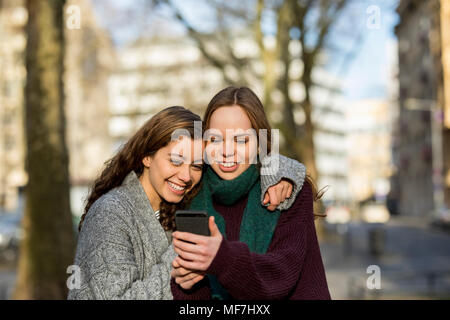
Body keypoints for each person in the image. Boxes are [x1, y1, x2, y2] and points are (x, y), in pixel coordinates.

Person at [68, 106, 303, 300]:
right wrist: (177, 265)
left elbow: (237, 160)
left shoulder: (179, 205)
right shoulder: (111, 213)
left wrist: (281, 174)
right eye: (176, 160)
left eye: (196, 166)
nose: (186, 176)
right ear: (146, 156)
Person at [171, 87, 331, 300]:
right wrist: (187, 282)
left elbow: (282, 274)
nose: (227, 151)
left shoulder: (288, 191)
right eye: (215, 139)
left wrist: (222, 258)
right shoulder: (191, 191)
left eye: (241, 140)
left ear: (259, 144)